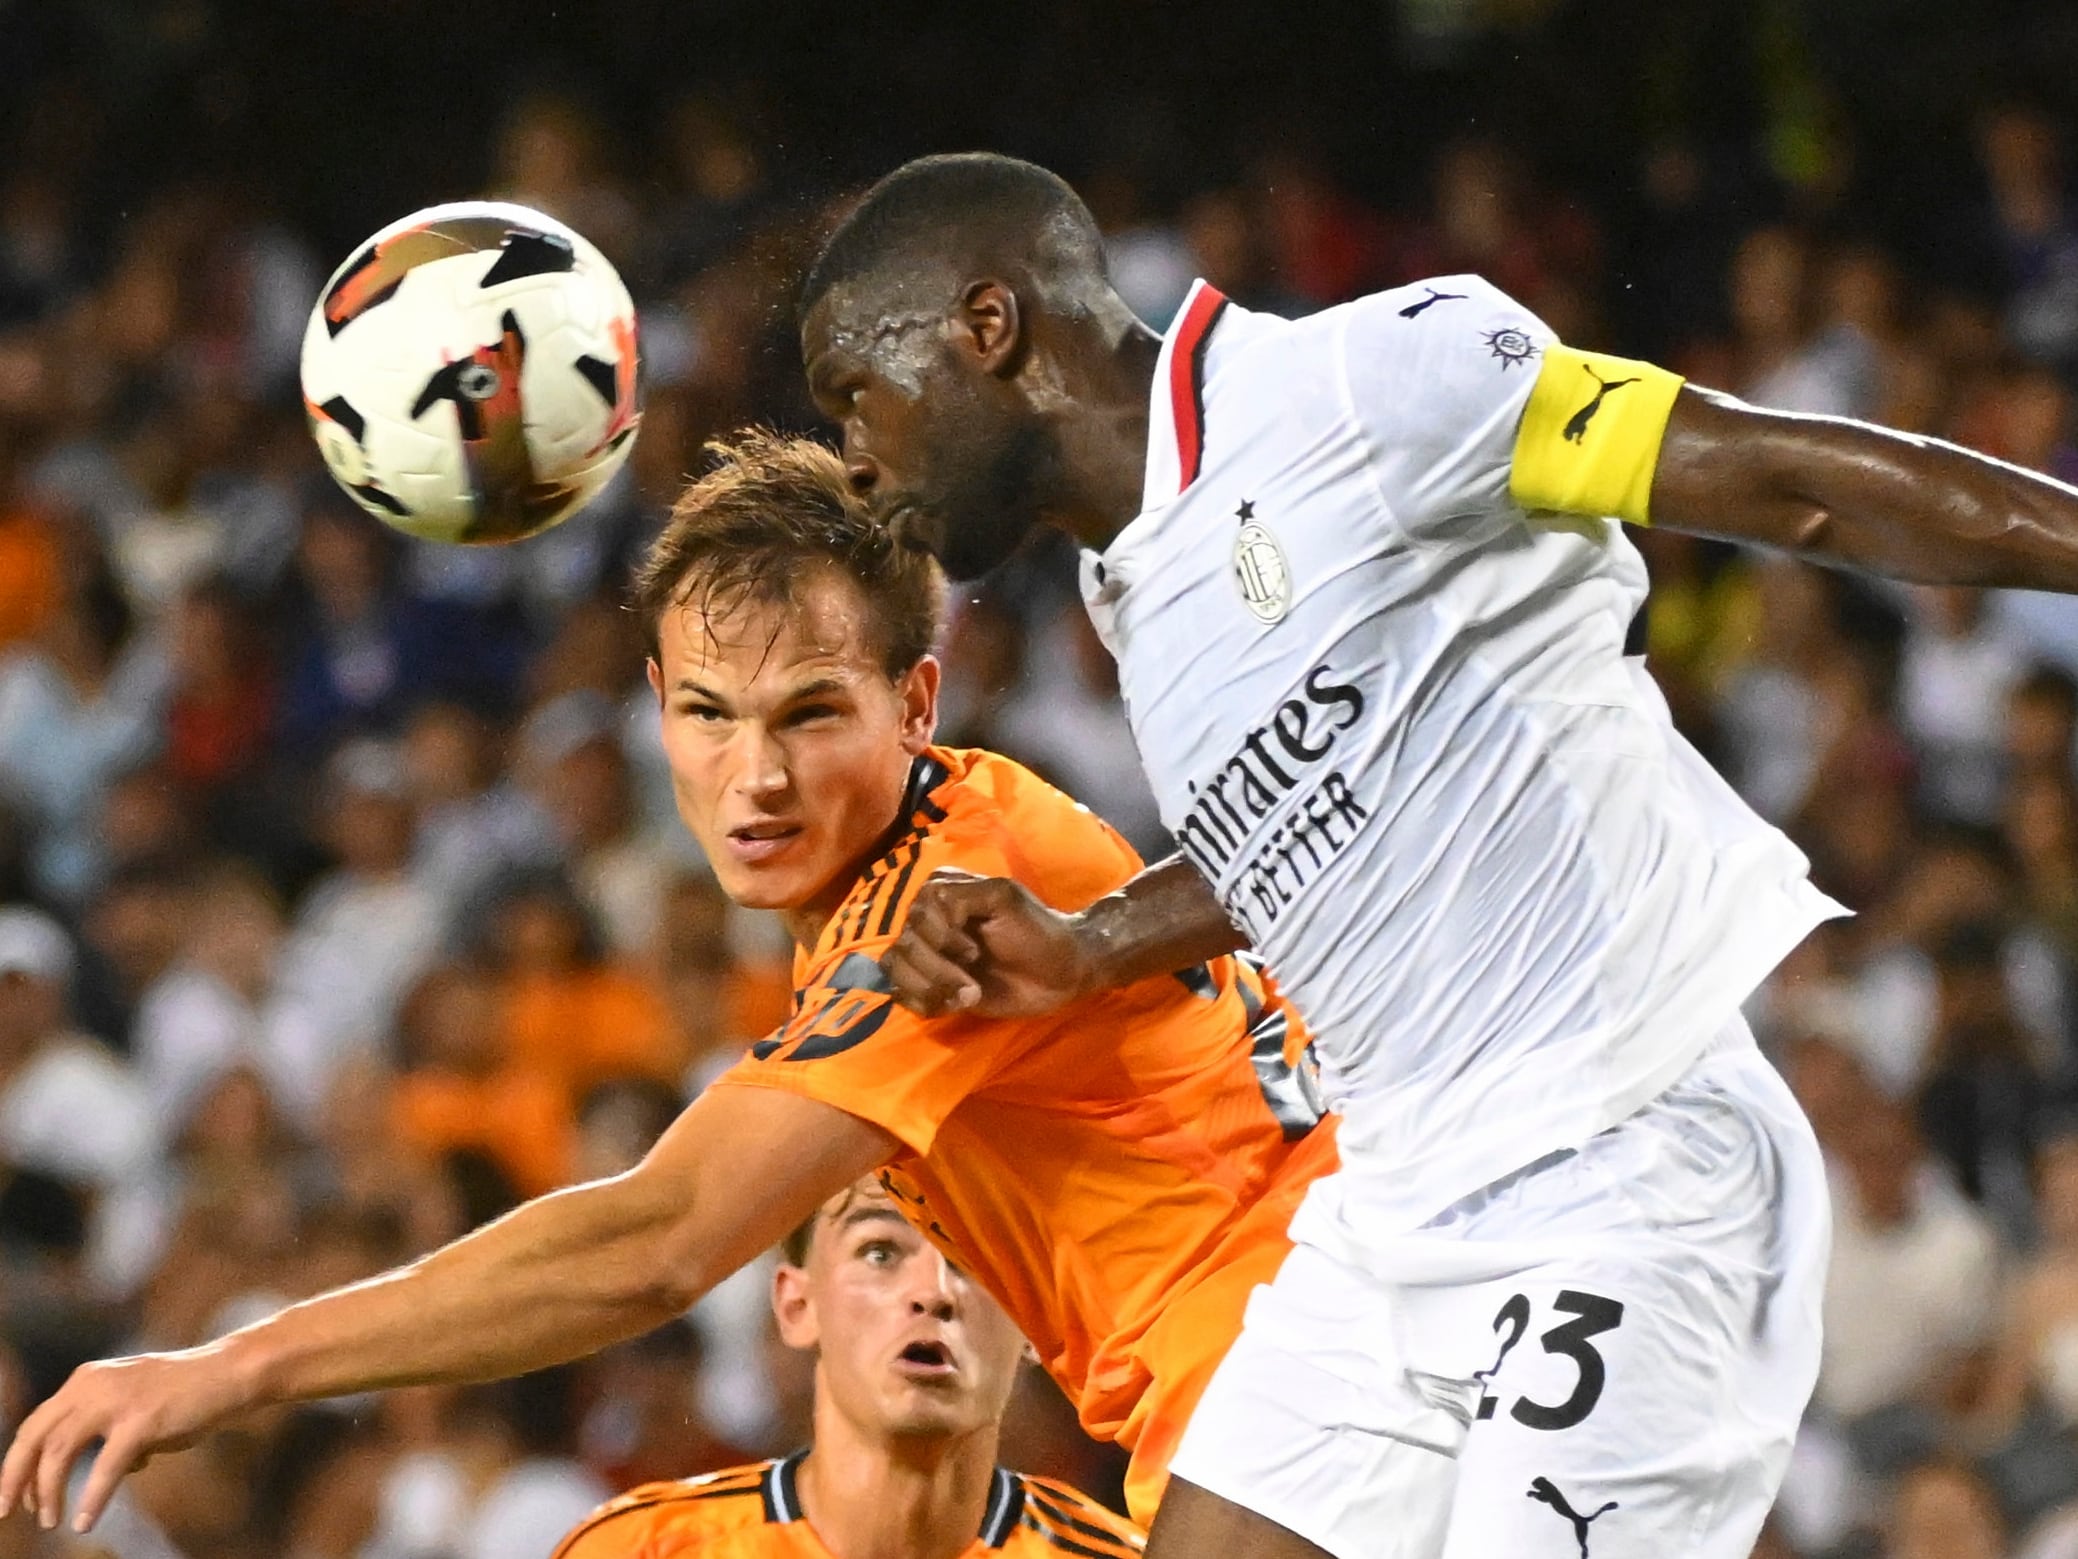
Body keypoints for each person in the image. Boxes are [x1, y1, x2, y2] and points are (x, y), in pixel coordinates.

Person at [793, 152, 2078, 1559]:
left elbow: (1780, 480)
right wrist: (1092, 940)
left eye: (857, 393)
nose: (856, 455)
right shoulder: (1129, 579)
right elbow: (1320, 817)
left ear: (988, 326)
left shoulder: (1369, 382)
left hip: (1624, 1167)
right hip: (1391, 1207)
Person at [0, 432, 1334, 1535]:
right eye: (709, 713)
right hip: (1313, 1363)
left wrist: (233, 1364)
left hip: (1299, 1386)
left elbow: (657, 1240)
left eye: (811, 713)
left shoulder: (950, 903)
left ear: (915, 702)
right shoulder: (953, 852)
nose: (755, 777)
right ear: (654, 708)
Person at [552, 1176, 1144, 1559]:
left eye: (972, 1256)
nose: (932, 1292)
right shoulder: (639, 1550)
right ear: (797, 1305)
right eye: (881, 1252)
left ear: (1036, 1321)